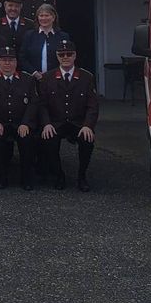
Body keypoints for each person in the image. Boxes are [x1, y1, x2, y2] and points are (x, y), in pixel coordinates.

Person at [38, 40, 100, 192]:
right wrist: (46, 123)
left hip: (77, 123)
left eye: (69, 54)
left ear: (75, 56)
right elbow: (42, 105)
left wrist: (87, 126)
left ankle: (82, 176)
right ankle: (59, 175)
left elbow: (93, 106)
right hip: (56, 122)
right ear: (57, 56)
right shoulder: (47, 78)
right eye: (61, 54)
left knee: (87, 139)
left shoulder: (86, 77)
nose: (65, 57)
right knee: (47, 139)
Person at [0, 46, 39, 190]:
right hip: (0, 123)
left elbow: (33, 103)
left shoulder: (28, 79)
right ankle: (2, 176)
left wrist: (26, 123)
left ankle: (26, 177)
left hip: (20, 123)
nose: (7, 63)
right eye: (4, 60)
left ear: (16, 62)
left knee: (27, 141)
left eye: (11, 60)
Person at [19, 3, 72, 78]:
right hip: (33, 79)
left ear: (53, 17)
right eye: (41, 16)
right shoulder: (29, 35)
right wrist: (34, 73)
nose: (44, 18)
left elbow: (67, 58)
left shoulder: (63, 36)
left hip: (56, 79)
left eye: (47, 15)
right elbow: (22, 58)